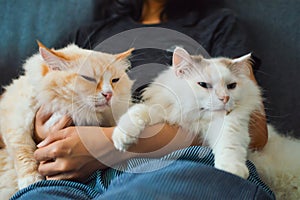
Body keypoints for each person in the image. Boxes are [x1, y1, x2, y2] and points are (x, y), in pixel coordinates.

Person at [11, 0, 273, 199]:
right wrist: (40, 128)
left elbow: (256, 129)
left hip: (178, 162)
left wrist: (110, 147)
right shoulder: (87, 34)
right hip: (71, 177)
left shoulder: (218, 25)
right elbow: (21, 102)